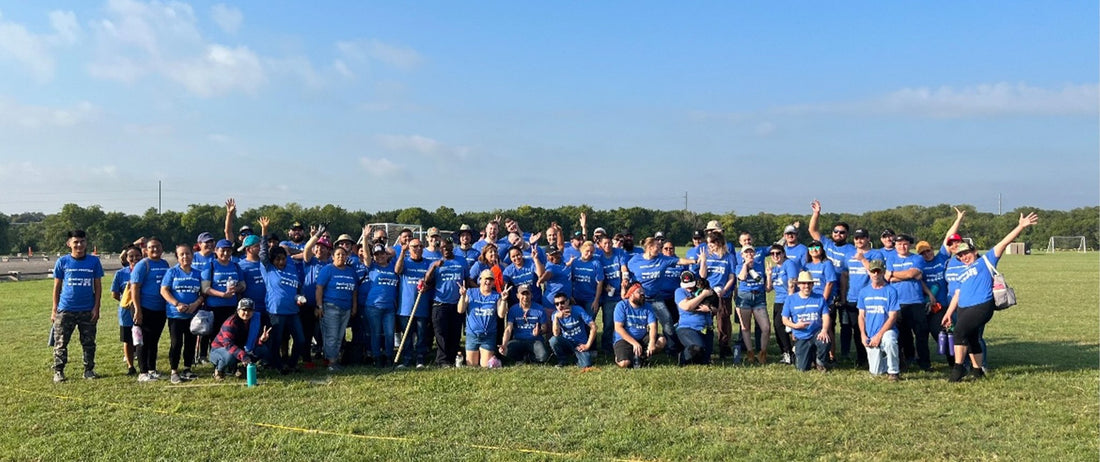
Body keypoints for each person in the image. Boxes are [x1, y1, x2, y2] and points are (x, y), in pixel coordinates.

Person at [943, 212, 1039, 382]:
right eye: (960, 255)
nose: (964, 257)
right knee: (972, 338)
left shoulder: (986, 261)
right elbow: (957, 293)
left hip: (981, 306)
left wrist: (1021, 226)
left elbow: (1004, 242)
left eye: (966, 253)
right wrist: (949, 313)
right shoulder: (961, 271)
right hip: (963, 307)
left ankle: (958, 370)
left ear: (975, 250)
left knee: (959, 332)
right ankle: (977, 371)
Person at [624, 237, 698, 359]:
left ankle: (672, 349)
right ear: (649, 248)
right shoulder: (635, 260)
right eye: (657, 247)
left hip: (656, 298)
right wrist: (626, 281)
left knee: (668, 321)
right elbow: (627, 270)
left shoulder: (662, 259)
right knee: (638, 323)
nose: (659, 250)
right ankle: (635, 347)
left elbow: (679, 261)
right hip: (640, 298)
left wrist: (694, 261)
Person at [50, 230, 104, 382]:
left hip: (87, 309)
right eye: (76, 242)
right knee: (61, 342)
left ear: (86, 243)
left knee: (89, 342)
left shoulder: (93, 262)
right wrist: (54, 309)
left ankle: (89, 370)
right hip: (66, 309)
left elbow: (98, 286)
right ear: (69, 244)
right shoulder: (62, 262)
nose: (79, 245)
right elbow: (57, 287)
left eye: (82, 241)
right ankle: (59, 371)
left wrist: (96, 307)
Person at [257, 217, 307, 374]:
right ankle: (278, 366)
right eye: (277, 259)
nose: (281, 262)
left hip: (293, 311)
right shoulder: (268, 269)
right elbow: (263, 252)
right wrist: (264, 231)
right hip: (276, 312)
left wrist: (300, 297)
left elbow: (297, 286)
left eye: (283, 259)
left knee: (300, 340)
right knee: (276, 341)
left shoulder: (290, 267)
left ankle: (292, 364)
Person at [160, 243, 204, 384]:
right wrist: (177, 304)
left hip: (192, 315)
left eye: (188, 253)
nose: (185, 256)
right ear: (177, 257)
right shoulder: (172, 272)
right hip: (175, 315)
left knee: (190, 343)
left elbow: (203, 293)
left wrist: (195, 304)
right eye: (182, 254)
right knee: (176, 343)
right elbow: (164, 290)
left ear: (192, 255)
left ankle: (187, 368)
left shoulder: (198, 273)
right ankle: (174, 371)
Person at [423, 238, 470, 367]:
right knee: (441, 333)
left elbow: (467, 279)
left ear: (452, 248)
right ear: (440, 249)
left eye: (449, 248)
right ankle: (442, 360)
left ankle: (453, 357)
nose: (446, 250)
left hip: (457, 303)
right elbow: (427, 280)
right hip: (440, 303)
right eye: (443, 248)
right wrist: (433, 267)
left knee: (455, 333)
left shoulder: (461, 261)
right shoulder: (436, 263)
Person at [885, 233, 929, 372]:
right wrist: (910, 275)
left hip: (915, 301)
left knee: (921, 335)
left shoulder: (917, 258)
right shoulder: (890, 258)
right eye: (899, 244)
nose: (902, 247)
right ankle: (907, 360)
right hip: (897, 302)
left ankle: (924, 363)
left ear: (909, 245)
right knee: (903, 335)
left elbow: (912, 274)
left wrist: (894, 274)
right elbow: (888, 278)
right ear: (895, 246)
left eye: (905, 244)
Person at [199, 239, 245, 365]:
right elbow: (205, 288)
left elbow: (243, 285)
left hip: (231, 307)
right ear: (216, 251)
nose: (225, 253)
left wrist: (237, 288)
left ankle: (231, 360)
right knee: (214, 336)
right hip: (214, 307)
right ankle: (216, 360)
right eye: (222, 250)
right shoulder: (211, 265)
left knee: (232, 334)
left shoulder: (235, 266)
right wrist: (222, 295)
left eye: (228, 250)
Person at [131, 237, 170, 382]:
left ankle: (152, 369)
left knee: (154, 341)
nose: (155, 249)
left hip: (160, 309)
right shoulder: (142, 265)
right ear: (146, 250)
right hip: (144, 308)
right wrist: (137, 310)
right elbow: (135, 287)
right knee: (143, 341)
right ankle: (143, 372)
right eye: (152, 247)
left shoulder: (165, 263)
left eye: (158, 246)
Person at [840, 229, 882, 367]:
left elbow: (875, 273)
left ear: (868, 238)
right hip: (852, 297)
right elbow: (845, 275)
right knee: (857, 330)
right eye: (856, 238)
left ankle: (875, 357)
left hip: (870, 297)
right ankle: (862, 358)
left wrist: (863, 259)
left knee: (872, 327)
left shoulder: (876, 254)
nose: (859, 240)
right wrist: (843, 295)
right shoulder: (848, 255)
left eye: (862, 237)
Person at [315, 244, 358, 371]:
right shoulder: (328, 269)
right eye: (338, 254)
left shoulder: (351, 271)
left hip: (346, 308)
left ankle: (333, 359)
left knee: (340, 336)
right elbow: (319, 288)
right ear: (332, 257)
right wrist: (319, 306)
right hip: (330, 307)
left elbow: (355, 291)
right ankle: (331, 362)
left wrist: (354, 307)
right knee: (331, 335)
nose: (341, 257)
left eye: (343, 254)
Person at [857, 259, 901, 381]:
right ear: (869, 273)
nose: (876, 274)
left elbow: (893, 316)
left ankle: (894, 371)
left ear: (883, 272)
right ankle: (894, 358)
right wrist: (863, 334)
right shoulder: (864, 292)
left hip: (887, 330)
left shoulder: (891, 291)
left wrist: (879, 335)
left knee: (890, 340)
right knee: (876, 372)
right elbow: (861, 315)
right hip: (870, 333)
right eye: (873, 271)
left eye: (878, 271)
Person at [210, 298, 272, 380]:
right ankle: (219, 370)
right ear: (238, 310)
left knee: (262, 349)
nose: (246, 313)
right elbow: (228, 344)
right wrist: (244, 356)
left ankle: (242, 369)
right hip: (220, 349)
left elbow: (253, 343)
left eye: (250, 310)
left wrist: (261, 340)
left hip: (240, 349)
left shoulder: (254, 322)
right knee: (229, 356)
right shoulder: (230, 323)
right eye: (244, 310)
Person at [458, 270, 510, 368]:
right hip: (472, 334)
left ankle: (495, 360)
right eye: (486, 279)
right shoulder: (470, 292)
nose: (488, 282)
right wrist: (463, 296)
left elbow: (501, 315)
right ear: (480, 280)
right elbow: (460, 310)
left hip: (488, 336)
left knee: (485, 366)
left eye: (491, 279)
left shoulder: (496, 295)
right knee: (472, 365)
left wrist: (503, 300)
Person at [782, 271, 832, 372]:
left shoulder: (819, 298)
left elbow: (826, 315)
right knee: (802, 369)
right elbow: (784, 320)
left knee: (825, 341)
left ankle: (820, 361)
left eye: (809, 283)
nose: (807, 286)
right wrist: (795, 326)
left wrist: (824, 330)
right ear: (799, 285)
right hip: (801, 336)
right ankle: (804, 354)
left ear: (813, 284)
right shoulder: (790, 299)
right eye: (804, 283)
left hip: (816, 333)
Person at [394, 238, 433, 368]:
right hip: (406, 307)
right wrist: (402, 253)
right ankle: (406, 359)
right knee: (407, 336)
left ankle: (420, 359)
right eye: (415, 246)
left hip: (422, 307)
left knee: (421, 335)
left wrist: (427, 286)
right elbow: (397, 271)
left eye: (421, 246)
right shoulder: (405, 262)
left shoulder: (428, 263)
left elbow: (432, 281)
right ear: (409, 248)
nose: (418, 249)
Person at [697, 233, 736, 359]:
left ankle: (724, 347)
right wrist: (703, 261)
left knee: (723, 320)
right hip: (708, 293)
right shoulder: (707, 256)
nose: (710, 246)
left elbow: (731, 276)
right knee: (705, 319)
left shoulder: (729, 257)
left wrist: (725, 290)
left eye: (712, 243)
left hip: (722, 293)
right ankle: (703, 346)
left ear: (719, 242)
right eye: (708, 243)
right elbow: (702, 276)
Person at [361, 243, 399, 367]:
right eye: (376, 255)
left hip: (390, 307)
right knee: (375, 333)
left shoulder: (393, 266)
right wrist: (365, 238)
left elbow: (394, 252)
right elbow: (366, 256)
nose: (380, 257)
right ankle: (376, 357)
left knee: (389, 334)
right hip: (373, 306)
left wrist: (384, 247)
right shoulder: (371, 267)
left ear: (386, 254)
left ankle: (389, 356)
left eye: (382, 253)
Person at [735, 244, 771, 364]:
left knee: (766, 328)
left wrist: (769, 275)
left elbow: (766, 286)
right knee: (745, 327)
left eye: (751, 252)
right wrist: (746, 264)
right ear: (742, 255)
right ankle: (750, 353)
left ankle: (762, 352)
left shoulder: (760, 266)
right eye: (746, 253)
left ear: (755, 254)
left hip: (759, 297)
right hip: (744, 296)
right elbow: (742, 277)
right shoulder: (739, 266)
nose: (749, 255)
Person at [765, 244, 800, 365]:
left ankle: (791, 353)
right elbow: (768, 289)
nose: (775, 256)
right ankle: (787, 353)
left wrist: (790, 304)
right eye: (772, 254)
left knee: (784, 326)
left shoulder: (788, 264)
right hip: (778, 301)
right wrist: (769, 275)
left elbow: (792, 283)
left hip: (788, 300)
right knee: (779, 327)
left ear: (783, 253)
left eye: (778, 253)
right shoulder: (774, 269)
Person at [111, 244, 142, 375]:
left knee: (142, 338)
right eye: (131, 256)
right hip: (126, 311)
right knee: (128, 339)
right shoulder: (120, 274)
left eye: (137, 256)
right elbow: (115, 293)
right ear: (126, 258)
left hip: (144, 308)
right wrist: (128, 303)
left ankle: (144, 365)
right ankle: (130, 366)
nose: (134, 258)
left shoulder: (146, 270)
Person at [613, 283, 659, 368]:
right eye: (639, 292)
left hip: (642, 337)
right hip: (625, 339)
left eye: (643, 291)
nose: (642, 294)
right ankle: (620, 357)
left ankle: (642, 357)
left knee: (661, 341)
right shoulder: (621, 306)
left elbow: (653, 326)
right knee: (624, 363)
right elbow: (618, 328)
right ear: (631, 294)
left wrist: (652, 342)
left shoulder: (648, 306)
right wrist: (634, 343)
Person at [501, 284, 550, 364]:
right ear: (517, 296)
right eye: (522, 294)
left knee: (543, 356)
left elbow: (545, 328)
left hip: (534, 340)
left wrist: (539, 331)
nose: (525, 297)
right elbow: (508, 329)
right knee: (507, 350)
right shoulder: (513, 309)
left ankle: (530, 357)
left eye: (527, 294)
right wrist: (504, 344)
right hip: (519, 340)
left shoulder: (539, 309)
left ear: (531, 295)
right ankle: (522, 358)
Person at [596, 234, 628, 354]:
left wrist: (625, 280)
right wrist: (605, 286)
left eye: (609, 243)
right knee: (609, 322)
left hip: (621, 294)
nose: (608, 246)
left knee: (622, 321)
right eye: (605, 243)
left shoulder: (619, 253)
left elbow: (623, 268)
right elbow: (597, 275)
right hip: (608, 295)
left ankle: (621, 344)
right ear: (600, 245)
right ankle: (606, 347)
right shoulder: (598, 256)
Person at [675, 271, 715, 366]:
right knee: (697, 347)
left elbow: (717, 308)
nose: (689, 288)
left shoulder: (704, 289)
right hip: (687, 327)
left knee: (704, 360)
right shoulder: (679, 292)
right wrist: (703, 295)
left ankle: (695, 358)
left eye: (691, 285)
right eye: (686, 285)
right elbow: (686, 307)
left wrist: (709, 308)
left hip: (706, 328)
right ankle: (683, 357)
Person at [550, 292, 597, 368]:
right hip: (567, 342)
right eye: (557, 304)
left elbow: (594, 327)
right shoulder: (555, 315)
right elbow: (556, 334)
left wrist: (587, 345)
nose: (560, 306)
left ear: (568, 301)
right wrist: (556, 318)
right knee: (553, 340)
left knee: (586, 364)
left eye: (562, 302)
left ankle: (578, 356)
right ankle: (562, 360)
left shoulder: (578, 310)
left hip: (580, 344)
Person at [571, 241, 605, 318]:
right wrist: (570, 295)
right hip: (577, 298)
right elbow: (570, 280)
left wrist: (596, 301)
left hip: (591, 299)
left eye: (591, 252)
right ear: (582, 250)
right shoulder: (575, 262)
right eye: (587, 251)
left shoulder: (596, 263)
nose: (589, 254)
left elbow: (600, 283)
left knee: (588, 323)